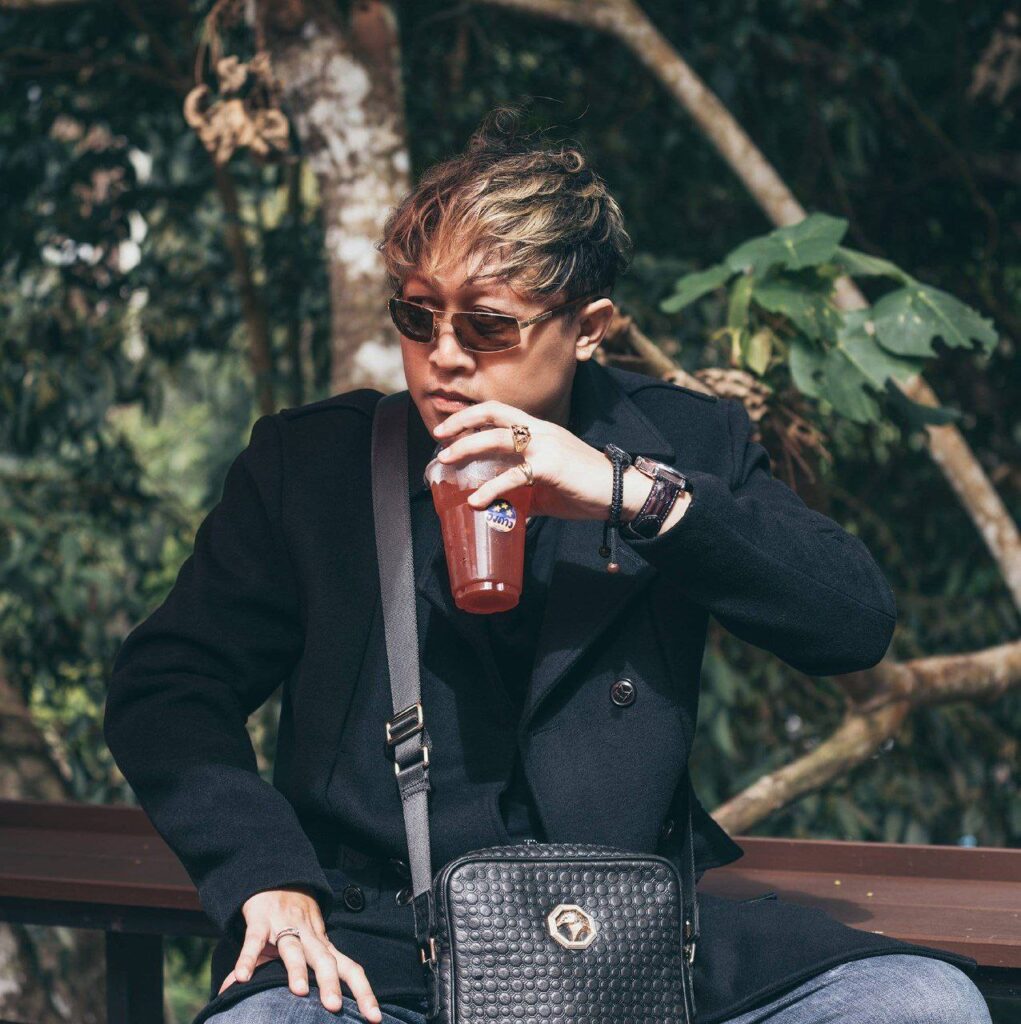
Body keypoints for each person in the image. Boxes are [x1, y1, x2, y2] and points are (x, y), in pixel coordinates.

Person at [103, 106, 992, 1024]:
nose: (443, 358)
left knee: (920, 1003)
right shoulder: (315, 465)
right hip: (382, 945)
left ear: (588, 326)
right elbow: (167, 685)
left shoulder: (681, 441)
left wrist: (627, 493)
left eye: (488, 326)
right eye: (416, 315)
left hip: (637, 939)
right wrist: (264, 874)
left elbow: (852, 622)